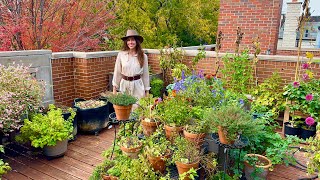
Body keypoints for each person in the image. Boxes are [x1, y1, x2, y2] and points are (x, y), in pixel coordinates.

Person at [112, 29, 150, 99]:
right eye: (128, 40)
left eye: (132, 40)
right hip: (124, 85)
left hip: (138, 85)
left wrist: (147, 91)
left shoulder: (143, 56)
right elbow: (117, 72)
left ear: (136, 41)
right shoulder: (121, 55)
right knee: (125, 107)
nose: (130, 42)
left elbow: (145, 75)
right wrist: (114, 89)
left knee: (138, 107)